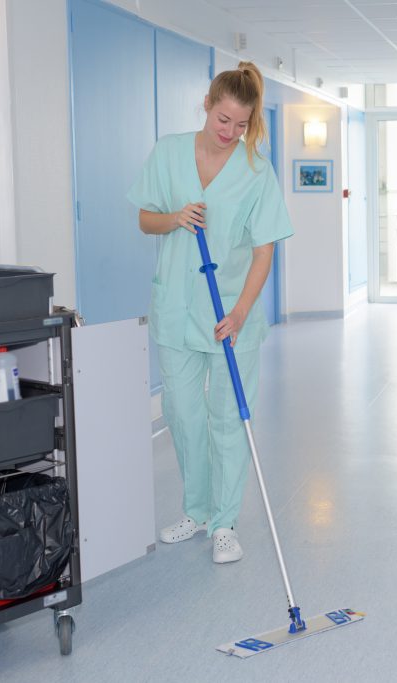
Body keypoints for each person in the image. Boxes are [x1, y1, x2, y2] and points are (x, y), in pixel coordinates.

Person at [128, 62, 294, 564]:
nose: (230, 133)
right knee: (182, 414)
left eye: (240, 125)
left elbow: (264, 250)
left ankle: (224, 523)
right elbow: (144, 220)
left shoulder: (256, 170)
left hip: (231, 315)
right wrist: (176, 218)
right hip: (177, 308)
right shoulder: (169, 152)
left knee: (227, 418)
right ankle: (196, 510)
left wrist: (243, 311)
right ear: (207, 104)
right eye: (223, 120)